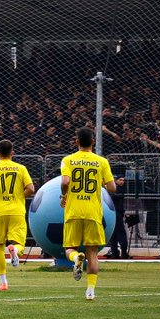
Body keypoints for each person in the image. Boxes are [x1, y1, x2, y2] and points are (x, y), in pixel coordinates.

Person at [60, 127, 116, 300]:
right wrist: (103, 183)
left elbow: (65, 181)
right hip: (93, 212)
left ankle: (76, 257)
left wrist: (64, 196)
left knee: (69, 248)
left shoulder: (68, 160)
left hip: (74, 211)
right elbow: (112, 188)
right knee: (92, 252)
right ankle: (90, 291)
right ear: (93, 141)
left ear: (76, 141)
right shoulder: (102, 162)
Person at [0, 140, 35, 292]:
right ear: (12, 153)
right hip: (16, 210)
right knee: (19, 243)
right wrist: (20, 197)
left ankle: (3, 282)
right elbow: (31, 188)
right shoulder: (21, 168)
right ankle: (15, 250)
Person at [107, 171, 131, 259]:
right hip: (116, 214)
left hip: (116, 213)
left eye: (123, 180)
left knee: (114, 234)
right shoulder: (115, 190)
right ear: (115, 180)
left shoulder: (117, 189)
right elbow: (115, 197)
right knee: (120, 233)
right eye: (120, 180)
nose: (122, 182)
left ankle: (115, 253)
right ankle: (122, 253)